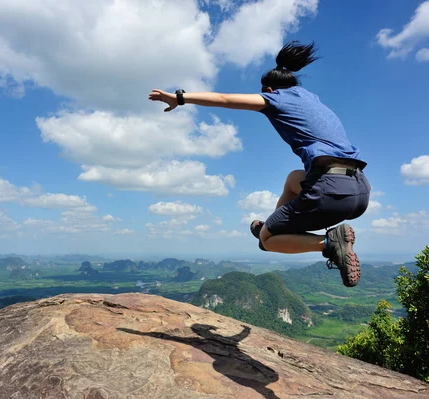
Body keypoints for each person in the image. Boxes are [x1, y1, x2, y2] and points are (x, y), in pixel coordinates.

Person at [148, 41, 370, 287]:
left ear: (269, 89)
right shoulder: (312, 99)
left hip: (330, 191)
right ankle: (271, 224)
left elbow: (224, 98)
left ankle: (329, 243)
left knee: (267, 241)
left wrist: (180, 98)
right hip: (359, 190)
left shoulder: (276, 98)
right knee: (293, 179)